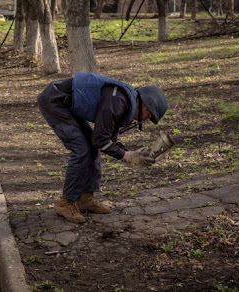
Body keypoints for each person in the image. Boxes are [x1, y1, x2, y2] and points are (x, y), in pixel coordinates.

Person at [37, 73, 168, 223]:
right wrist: (127, 156)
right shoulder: (118, 102)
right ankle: (66, 203)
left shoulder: (124, 103)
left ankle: (85, 199)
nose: (146, 120)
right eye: (149, 115)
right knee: (82, 150)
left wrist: (130, 153)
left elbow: (108, 138)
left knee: (90, 148)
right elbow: (100, 140)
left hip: (67, 104)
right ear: (145, 104)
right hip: (56, 101)